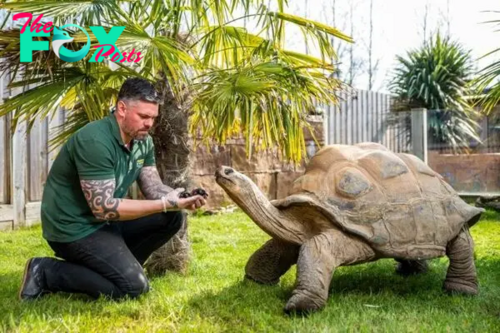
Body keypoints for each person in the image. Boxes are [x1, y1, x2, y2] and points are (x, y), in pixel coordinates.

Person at [19, 77, 206, 301]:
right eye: (143, 117)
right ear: (121, 108)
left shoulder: (142, 140)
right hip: (73, 229)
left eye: (153, 118)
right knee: (133, 289)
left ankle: (118, 270)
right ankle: (45, 272)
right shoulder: (95, 141)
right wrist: (165, 203)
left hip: (105, 225)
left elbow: (152, 186)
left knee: (171, 218)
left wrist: (181, 197)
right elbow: (103, 207)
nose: (149, 124)